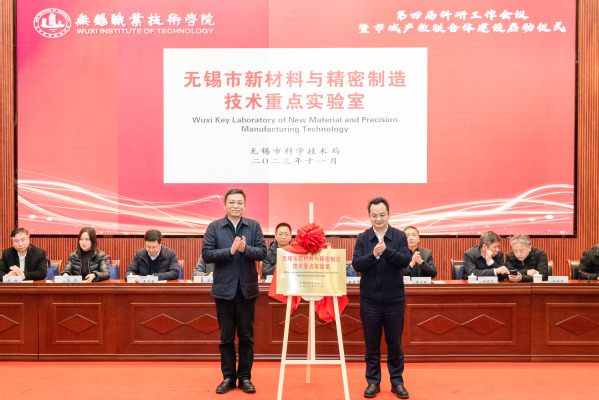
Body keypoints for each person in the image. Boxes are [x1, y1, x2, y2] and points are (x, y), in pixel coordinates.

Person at [202, 189, 267, 394]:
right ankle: (228, 377)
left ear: (244, 205)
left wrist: (245, 250)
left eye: (239, 202)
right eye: (232, 202)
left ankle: (245, 377)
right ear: (225, 205)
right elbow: (207, 254)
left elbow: (262, 252)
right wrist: (229, 252)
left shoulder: (254, 226)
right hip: (224, 290)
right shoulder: (214, 227)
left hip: (247, 290)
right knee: (226, 338)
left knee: (246, 337)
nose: (235, 206)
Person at [352, 197, 411, 399]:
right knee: (371, 344)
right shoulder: (363, 238)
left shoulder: (399, 236)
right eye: (374, 215)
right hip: (369, 301)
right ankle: (373, 382)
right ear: (369, 216)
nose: (378, 219)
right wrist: (374, 255)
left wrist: (386, 252)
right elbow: (357, 264)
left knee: (395, 344)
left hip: (394, 300)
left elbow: (405, 260)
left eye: (382, 215)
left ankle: (397, 382)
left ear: (389, 214)